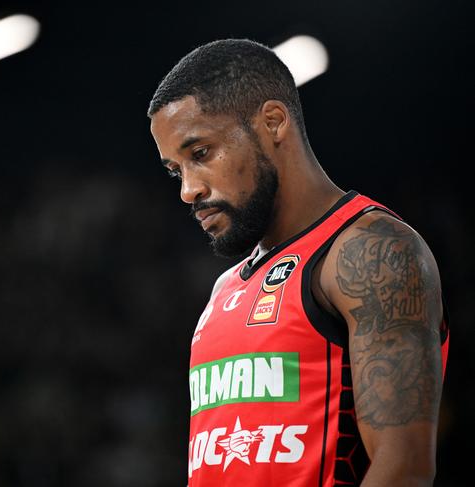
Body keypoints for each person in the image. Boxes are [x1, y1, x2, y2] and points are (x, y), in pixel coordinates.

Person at [147, 39, 449, 487]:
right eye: (176, 170)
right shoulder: (224, 289)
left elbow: (404, 470)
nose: (187, 190)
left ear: (272, 121)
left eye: (201, 153)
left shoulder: (370, 253)